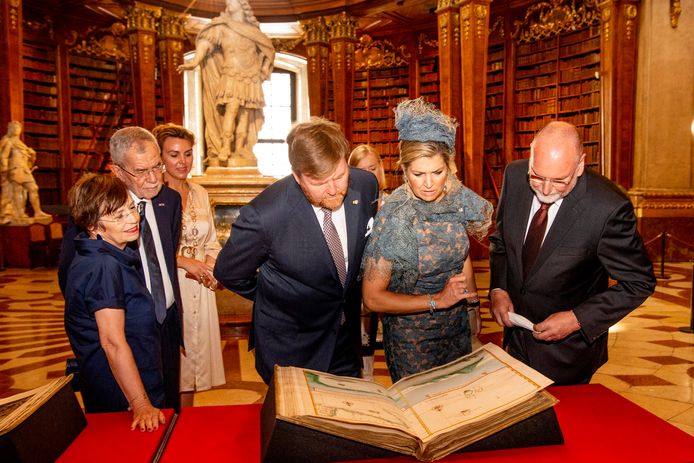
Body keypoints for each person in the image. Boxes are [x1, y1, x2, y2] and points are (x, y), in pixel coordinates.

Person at [488, 121, 656, 385]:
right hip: (516, 336)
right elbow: (500, 241)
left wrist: (577, 319)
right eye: (537, 176)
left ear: (580, 165)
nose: (544, 190)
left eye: (559, 181)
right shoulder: (514, 176)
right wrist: (498, 289)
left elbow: (639, 282)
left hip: (567, 352)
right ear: (531, 156)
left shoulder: (608, 207)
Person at [213, 117, 379, 384]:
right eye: (320, 182)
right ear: (297, 176)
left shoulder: (365, 184)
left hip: (345, 339)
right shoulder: (264, 215)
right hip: (290, 345)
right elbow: (228, 272)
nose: (334, 189)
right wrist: (277, 294)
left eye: (339, 176)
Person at [361, 98, 493, 382]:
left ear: (450, 166)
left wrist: (472, 306)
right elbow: (372, 298)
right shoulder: (395, 217)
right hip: (412, 339)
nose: (429, 183)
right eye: (418, 174)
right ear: (404, 169)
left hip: (456, 330)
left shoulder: (457, 200)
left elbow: (462, 256)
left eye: (438, 172)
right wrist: (437, 301)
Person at [59, 127, 183, 411]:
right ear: (117, 171)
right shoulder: (93, 209)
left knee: (167, 405)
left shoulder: (170, 200)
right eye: (141, 171)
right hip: (123, 327)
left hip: (165, 321)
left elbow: (165, 256)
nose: (153, 179)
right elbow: (72, 278)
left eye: (157, 166)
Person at [64, 174, 165, 431]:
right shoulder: (103, 267)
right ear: (92, 224)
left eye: (131, 208)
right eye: (117, 215)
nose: (132, 219)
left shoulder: (102, 253)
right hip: (122, 394)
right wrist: (141, 403)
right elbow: (112, 343)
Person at [152, 123, 226, 407]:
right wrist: (184, 262)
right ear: (159, 157)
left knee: (193, 368)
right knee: (171, 362)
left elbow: (211, 242)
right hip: (171, 284)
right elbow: (144, 250)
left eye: (187, 154)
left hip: (200, 286)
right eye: (174, 155)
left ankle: (186, 424)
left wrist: (210, 266)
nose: (182, 162)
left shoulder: (200, 193)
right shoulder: (154, 195)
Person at [177, 0, 275, 168]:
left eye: (232, 1)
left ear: (242, 5)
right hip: (232, 72)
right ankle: (224, 147)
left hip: (250, 75)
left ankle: (240, 150)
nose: (228, 3)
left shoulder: (253, 31)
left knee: (245, 116)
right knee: (231, 110)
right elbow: (206, 43)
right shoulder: (222, 27)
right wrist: (195, 61)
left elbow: (268, 50)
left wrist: (265, 68)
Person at [347, 144, 386, 380]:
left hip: (391, 282)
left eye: (373, 168)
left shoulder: (395, 201)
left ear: (381, 167)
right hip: (360, 280)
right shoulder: (349, 205)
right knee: (362, 343)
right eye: (362, 170)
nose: (369, 175)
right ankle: (366, 380)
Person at [0, 121, 51, 222]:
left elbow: (27, 159)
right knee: (17, 190)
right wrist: (5, 168)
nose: (16, 129)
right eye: (13, 128)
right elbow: (4, 156)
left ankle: (38, 211)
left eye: (17, 127)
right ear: (10, 129)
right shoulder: (9, 141)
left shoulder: (21, 144)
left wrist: (31, 154)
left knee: (33, 188)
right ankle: (20, 213)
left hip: (25, 170)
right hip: (15, 169)